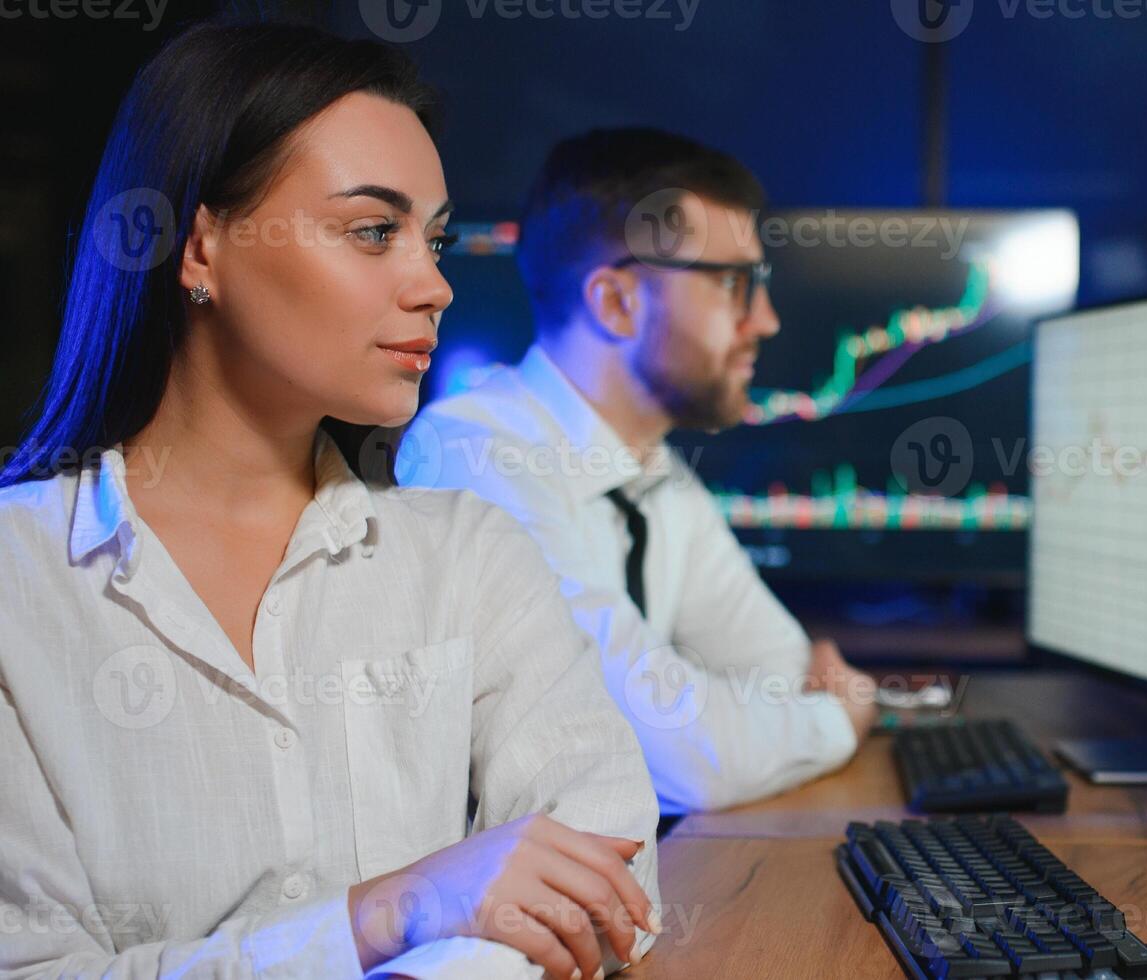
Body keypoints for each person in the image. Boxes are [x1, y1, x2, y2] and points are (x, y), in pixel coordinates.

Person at [0, 21, 659, 980]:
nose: (432, 284)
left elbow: (609, 886)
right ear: (198, 247)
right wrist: (388, 911)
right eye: (372, 231)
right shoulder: (19, 584)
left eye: (433, 240)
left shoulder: (469, 555)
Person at [399, 128, 877, 815]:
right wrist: (838, 722)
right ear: (616, 302)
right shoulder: (476, 458)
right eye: (734, 284)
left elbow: (781, 674)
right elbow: (680, 757)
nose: (765, 321)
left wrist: (753, 720)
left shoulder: (656, 472)